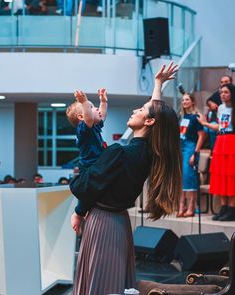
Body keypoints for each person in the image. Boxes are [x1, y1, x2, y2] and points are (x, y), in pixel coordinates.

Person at [69, 62, 182, 295]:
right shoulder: (150, 153)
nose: (134, 111)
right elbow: (157, 116)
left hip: (103, 224)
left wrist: (79, 207)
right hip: (120, 224)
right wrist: (158, 84)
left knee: (100, 285)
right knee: (114, 283)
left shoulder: (118, 153)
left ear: (149, 122)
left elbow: (85, 187)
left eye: (140, 110)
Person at [66, 88, 108, 229]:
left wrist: (103, 101)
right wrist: (83, 102)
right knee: (87, 193)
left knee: (95, 193)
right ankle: (78, 214)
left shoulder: (94, 127)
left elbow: (101, 116)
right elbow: (89, 118)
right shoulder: (83, 129)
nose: (96, 109)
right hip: (89, 167)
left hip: (98, 165)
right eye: (91, 107)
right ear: (81, 117)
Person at [198, 83, 235, 221]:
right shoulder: (220, 108)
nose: (222, 94)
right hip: (221, 141)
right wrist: (205, 123)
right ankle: (223, 208)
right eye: (221, 92)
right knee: (221, 176)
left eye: (226, 92)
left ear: (232, 93)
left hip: (232, 141)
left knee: (231, 177)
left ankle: (232, 209)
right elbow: (219, 126)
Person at [177, 93, 205, 217]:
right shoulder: (182, 117)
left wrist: (195, 153)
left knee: (189, 177)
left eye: (187, 99)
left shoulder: (196, 117)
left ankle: (191, 206)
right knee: (181, 177)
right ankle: (181, 206)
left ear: (192, 102)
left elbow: (202, 136)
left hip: (190, 148)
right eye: (183, 100)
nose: (184, 101)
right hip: (181, 147)